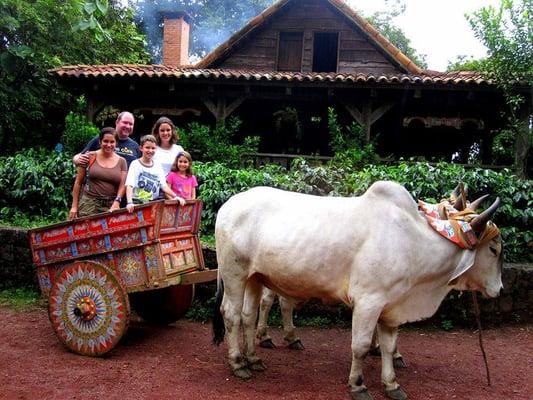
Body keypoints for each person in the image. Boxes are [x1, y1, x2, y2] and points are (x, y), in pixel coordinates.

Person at [68, 127, 127, 219]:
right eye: (105, 141)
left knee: (109, 232)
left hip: (110, 204)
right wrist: (74, 206)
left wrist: (117, 202)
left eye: (112, 142)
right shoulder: (90, 156)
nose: (108, 145)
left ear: (116, 143)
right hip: (89, 203)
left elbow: (123, 185)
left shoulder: (122, 161)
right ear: (100, 142)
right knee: (85, 231)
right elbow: (78, 182)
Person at [125, 135, 185, 213]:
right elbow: (129, 184)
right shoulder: (135, 164)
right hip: (137, 203)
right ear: (141, 148)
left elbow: (163, 185)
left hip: (153, 203)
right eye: (147, 147)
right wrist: (129, 203)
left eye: (153, 148)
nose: (150, 150)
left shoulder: (157, 165)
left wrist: (176, 196)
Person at [73, 111, 141, 168]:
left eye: (131, 124)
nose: (128, 126)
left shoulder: (135, 146)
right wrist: (76, 160)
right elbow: (79, 156)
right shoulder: (102, 139)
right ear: (117, 122)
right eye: (125, 122)